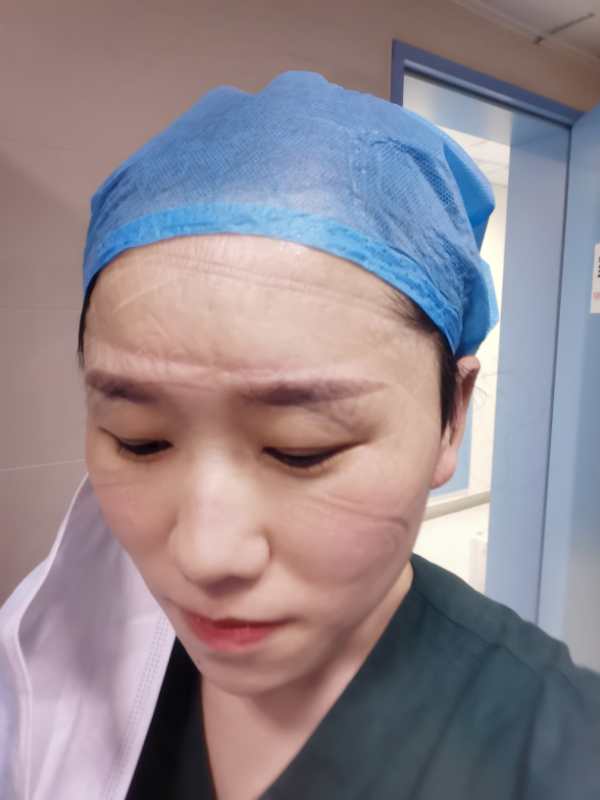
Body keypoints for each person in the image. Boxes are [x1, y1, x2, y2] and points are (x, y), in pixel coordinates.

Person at [1, 70, 599, 800]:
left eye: (301, 450)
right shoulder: (55, 656)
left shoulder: (560, 753)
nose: (205, 555)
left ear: (453, 417)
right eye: (139, 438)